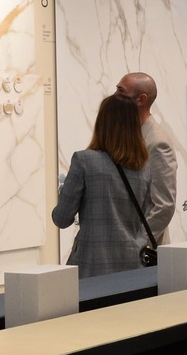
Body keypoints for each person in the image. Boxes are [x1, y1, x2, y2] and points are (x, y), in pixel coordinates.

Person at [52, 93, 154, 277]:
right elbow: (143, 217)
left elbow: (61, 218)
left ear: (102, 123)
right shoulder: (144, 168)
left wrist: (65, 191)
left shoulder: (84, 160)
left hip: (93, 266)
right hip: (134, 266)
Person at [115, 71, 178, 242]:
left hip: (142, 248)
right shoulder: (125, 133)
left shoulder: (157, 142)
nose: (115, 97)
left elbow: (164, 206)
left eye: (121, 92)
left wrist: (136, 243)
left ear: (141, 99)